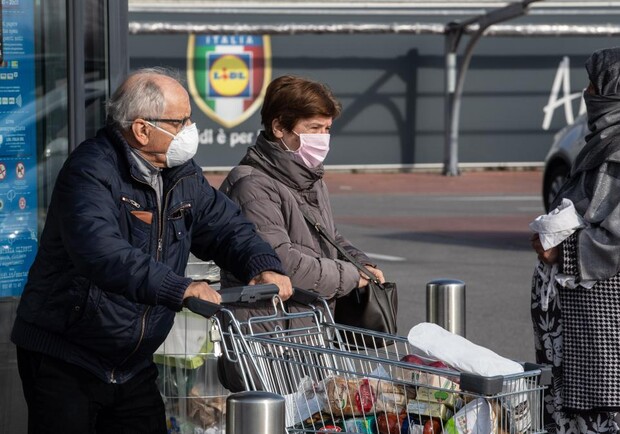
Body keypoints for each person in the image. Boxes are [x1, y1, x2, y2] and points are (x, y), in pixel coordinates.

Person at [11, 67, 292, 434]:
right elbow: (101, 251)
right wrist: (181, 288)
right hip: (67, 356)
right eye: (181, 122)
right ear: (143, 129)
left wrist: (261, 263)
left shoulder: (181, 174)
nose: (190, 130)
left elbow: (225, 226)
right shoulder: (91, 170)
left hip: (132, 363)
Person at [217, 75, 385, 391]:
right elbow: (281, 262)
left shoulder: (310, 178)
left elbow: (330, 235)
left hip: (307, 333)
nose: (323, 138)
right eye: (313, 129)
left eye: (327, 129)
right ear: (279, 127)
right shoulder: (252, 185)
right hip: (268, 341)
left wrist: (362, 264)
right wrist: (351, 276)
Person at [531, 47, 620, 434]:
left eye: (595, 84)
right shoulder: (602, 141)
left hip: (601, 326)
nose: (586, 92)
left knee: (598, 417)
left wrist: (560, 250)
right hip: (578, 323)